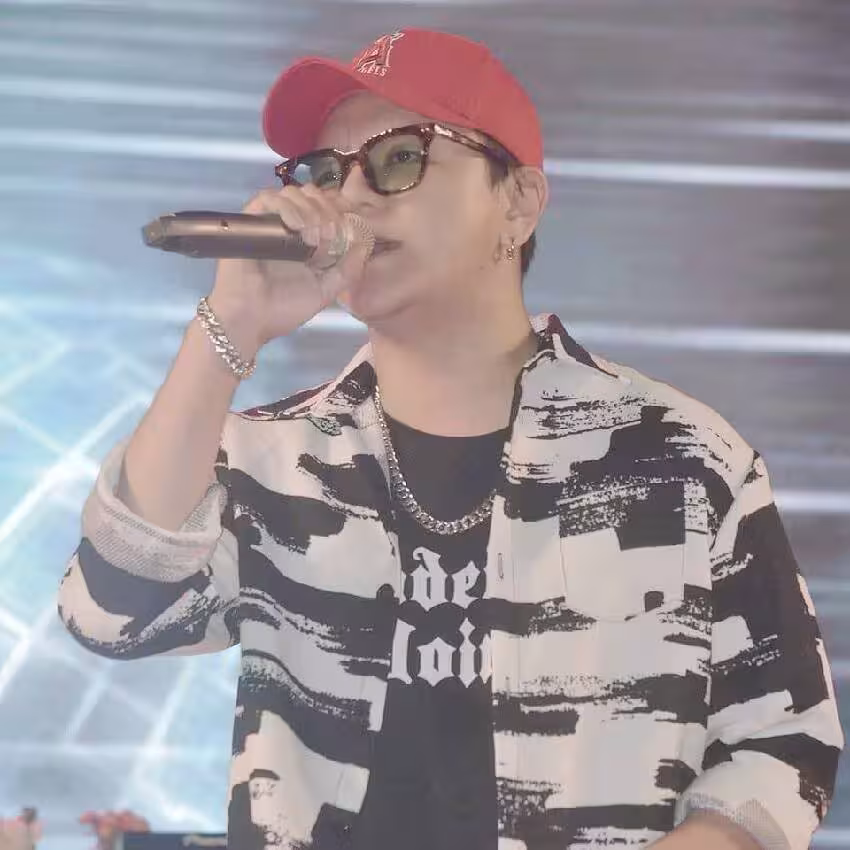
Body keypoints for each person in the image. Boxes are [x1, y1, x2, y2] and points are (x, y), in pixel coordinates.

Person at [58, 27, 843, 850]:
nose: (350, 199)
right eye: (325, 172)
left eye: (398, 158)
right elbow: (112, 611)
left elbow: (781, 747)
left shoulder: (680, 457)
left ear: (519, 204)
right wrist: (229, 328)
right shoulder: (273, 458)